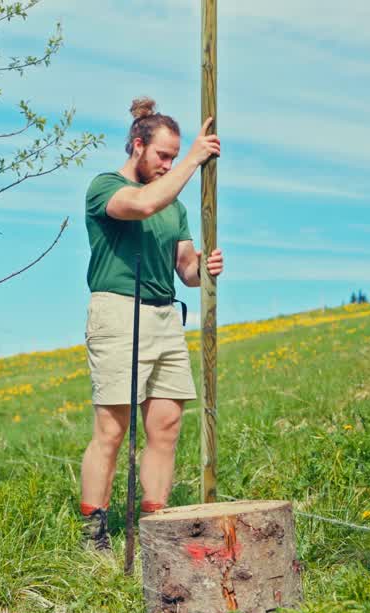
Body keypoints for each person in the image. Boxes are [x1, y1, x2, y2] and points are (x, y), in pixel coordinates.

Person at [78, 96, 224, 551]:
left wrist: (206, 268)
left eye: (176, 157)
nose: (169, 164)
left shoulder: (174, 206)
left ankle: (154, 531)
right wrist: (195, 161)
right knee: (113, 428)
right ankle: (94, 533)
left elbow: (185, 270)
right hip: (119, 311)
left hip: (164, 313)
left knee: (166, 424)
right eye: (163, 155)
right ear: (137, 145)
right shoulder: (104, 187)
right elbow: (140, 206)